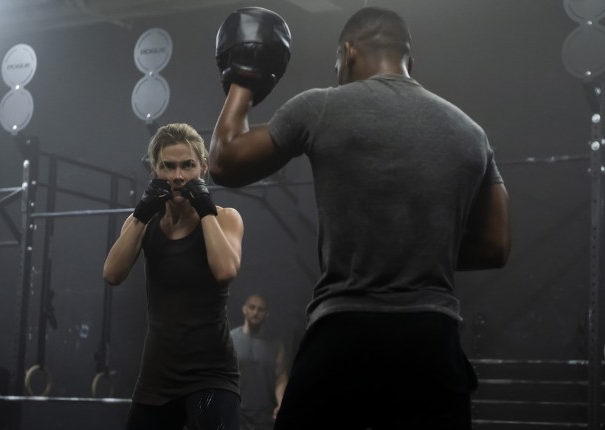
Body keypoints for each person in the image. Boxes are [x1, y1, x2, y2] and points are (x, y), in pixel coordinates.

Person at [209, 6, 511, 430]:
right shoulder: (472, 133)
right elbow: (496, 245)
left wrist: (245, 76)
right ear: (409, 61)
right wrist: (418, 249)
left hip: (346, 333)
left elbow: (224, 162)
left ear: (348, 52)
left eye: (338, 63)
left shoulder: (321, 107)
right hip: (432, 340)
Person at [103, 123, 244, 430]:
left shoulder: (225, 217)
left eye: (187, 165)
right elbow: (112, 274)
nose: (178, 176)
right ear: (154, 170)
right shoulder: (142, 222)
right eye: (168, 166)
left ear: (203, 167)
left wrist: (205, 210)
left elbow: (225, 271)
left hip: (211, 374)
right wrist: (141, 214)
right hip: (157, 376)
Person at [230, 293, 288, 430]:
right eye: (252, 307)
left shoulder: (276, 344)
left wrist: (281, 403)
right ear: (244, 309)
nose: (256, 312)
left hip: (265, 415)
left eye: (260, 309)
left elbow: (281, 377)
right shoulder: (230, 339)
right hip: (237, 413)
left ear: (266, 314)